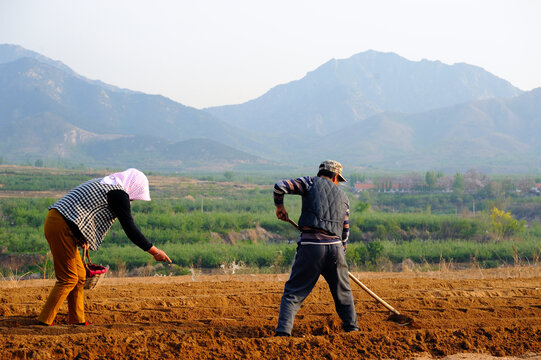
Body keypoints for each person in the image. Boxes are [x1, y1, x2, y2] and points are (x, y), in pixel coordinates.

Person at [37, 168, 171, 326]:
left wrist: (82, 237)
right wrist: (155, 251)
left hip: (59, 222)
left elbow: (83, 210)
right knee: (68, 278)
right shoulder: (119, 194)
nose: (132, 200)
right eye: (134, 196)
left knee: (80, 276)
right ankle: (44, 322)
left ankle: (77, 321)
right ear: (132, 187)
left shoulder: (107, 184)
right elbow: (130, 229)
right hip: (60, 226)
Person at [273, 160, 359, 336]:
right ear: (335, 177)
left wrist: (280, 207)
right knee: (343, 292)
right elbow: (345, 232)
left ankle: (283, 333)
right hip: (335, 248)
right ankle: (352, 329)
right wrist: (339, 258)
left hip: (311, 246)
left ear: (321, 173)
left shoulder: (309, 182)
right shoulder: (344, 198)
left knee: (293, 292)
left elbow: (280, 186)